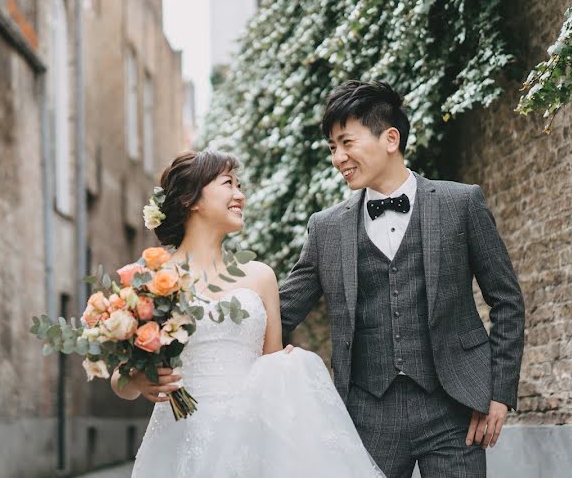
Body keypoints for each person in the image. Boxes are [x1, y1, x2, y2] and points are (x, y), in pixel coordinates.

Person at [279, 80, 526, 478]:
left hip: (454, 409)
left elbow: (507, 300)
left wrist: (499, 392)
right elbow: (281, 311)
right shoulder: (325, 229)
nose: (337, 158)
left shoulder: (460, 203)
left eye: (346, 143)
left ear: (390, 138)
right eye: (332, 148)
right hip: (365, 415)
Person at [113, 150, 385, 477]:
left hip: (254, 439)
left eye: (240, 185)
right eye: (228, 183)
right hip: (182, 434)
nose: (240, 194)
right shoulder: (151, 278)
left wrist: (287, 365)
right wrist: (138, 379)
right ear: (191, 199)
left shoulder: (260, 276)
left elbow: (270, 366)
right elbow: (121, 380)